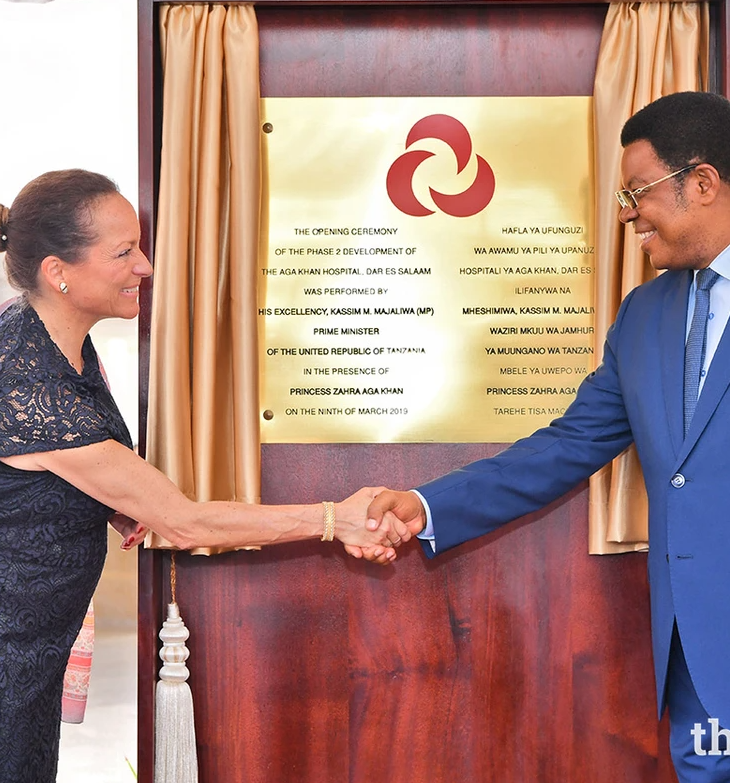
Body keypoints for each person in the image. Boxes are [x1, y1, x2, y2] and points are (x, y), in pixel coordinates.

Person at [364, 91, 730, 783]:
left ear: (703, 183)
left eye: (639, 191)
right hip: (696, 666)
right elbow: (567, 446)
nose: (626, 212)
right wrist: (426, 504)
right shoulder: (644, 315)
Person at [0, 169, 406, 783]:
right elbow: (184, 521)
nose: (146, 267)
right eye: (124, 252)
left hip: (28, 650)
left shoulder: (39, 335)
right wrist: (336, 517)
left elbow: (37, 466)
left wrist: (98, 500)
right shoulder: (32, 381)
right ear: (60, 271)